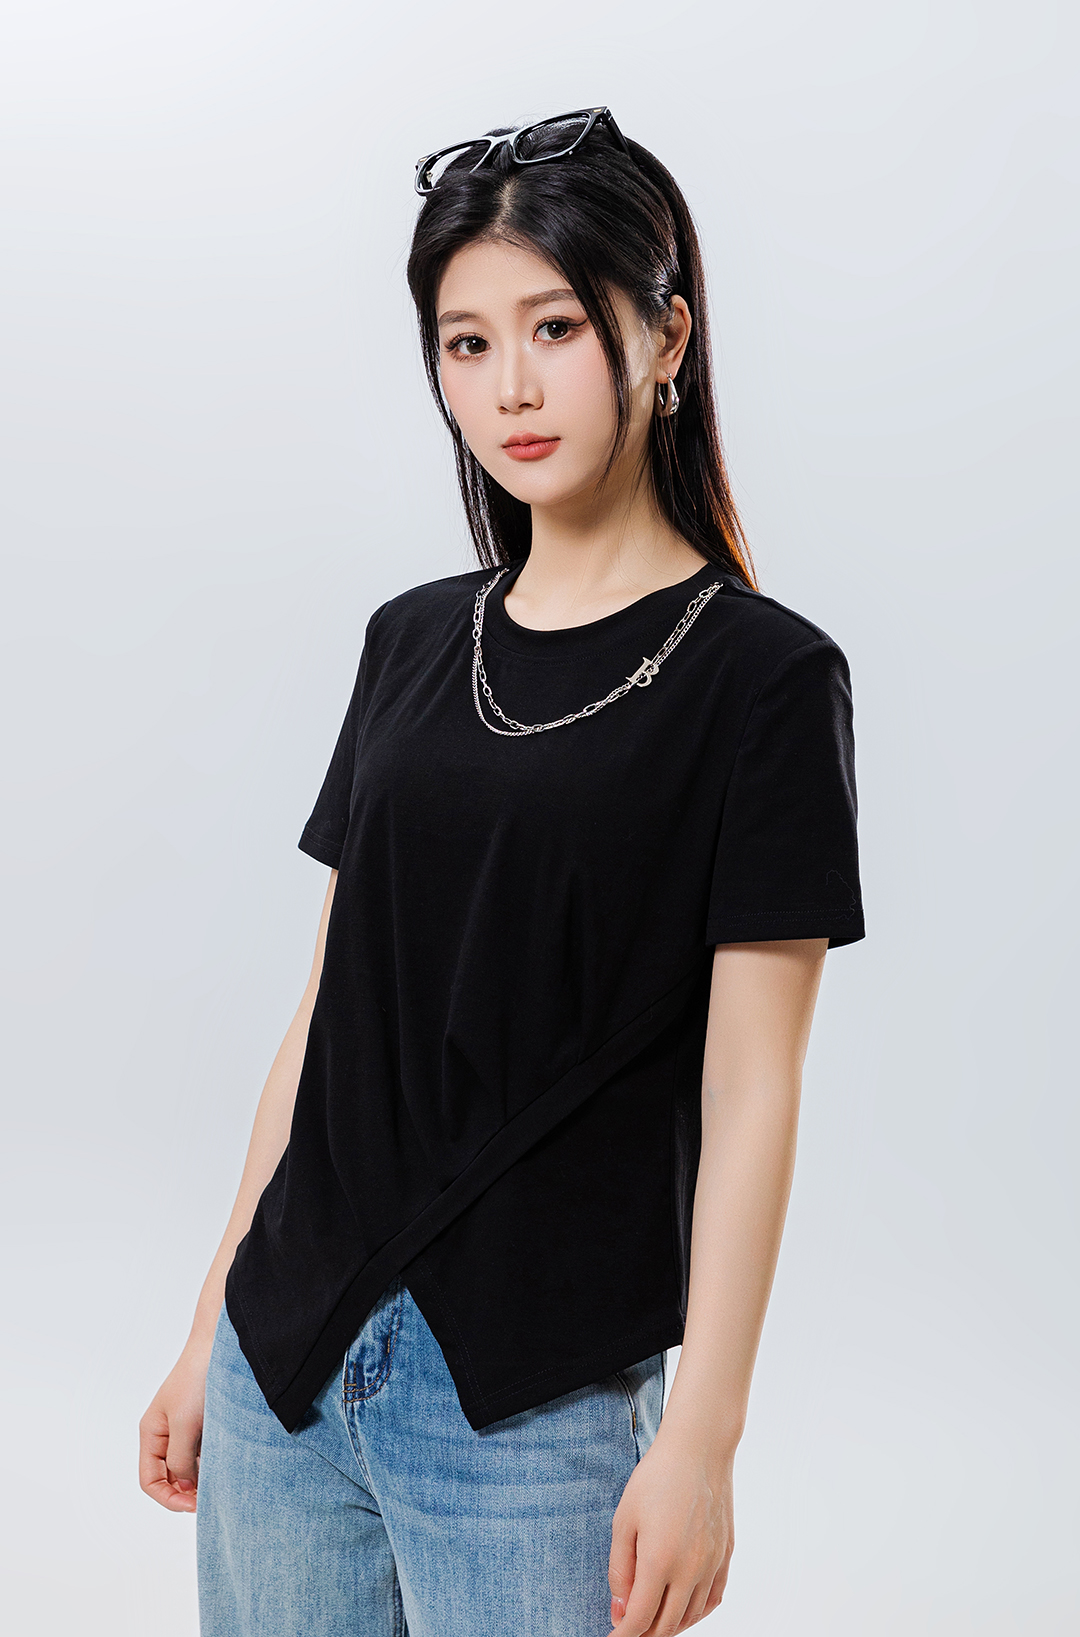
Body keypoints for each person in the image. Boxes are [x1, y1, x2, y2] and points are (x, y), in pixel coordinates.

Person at [139, 106, 864, 1637]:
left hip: (530, 1413)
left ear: (666, 337)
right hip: (288, 1365)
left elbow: (753, 1091)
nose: (511, 386)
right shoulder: (412, 640)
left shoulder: (764, 680)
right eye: (466, 344)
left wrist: (703, 1438)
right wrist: (212, 1322)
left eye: (556, 327)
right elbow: (327, 1017)